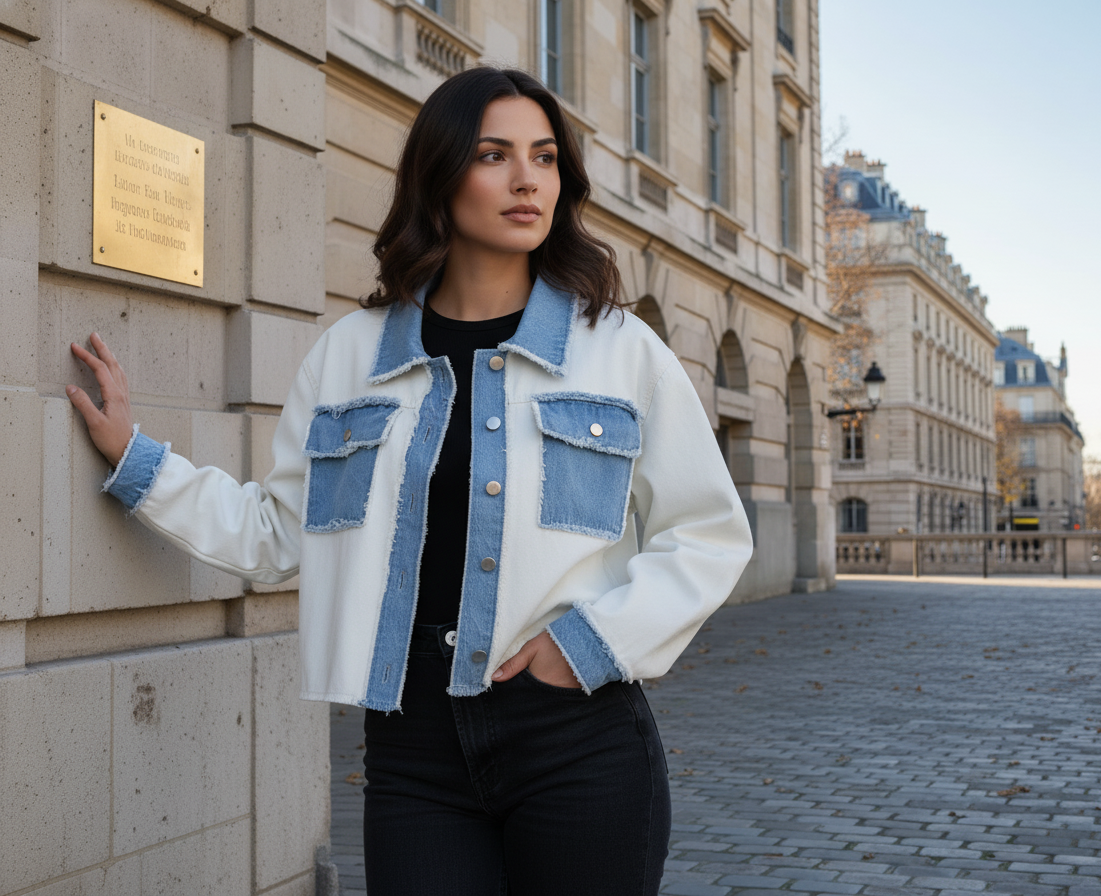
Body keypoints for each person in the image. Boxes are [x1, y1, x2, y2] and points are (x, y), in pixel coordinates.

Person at [67, 67, 752, 895]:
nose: (527, 179)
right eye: (494, 155)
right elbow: (278, 532)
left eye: (544, 157)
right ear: (441, 172)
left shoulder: (619, 349)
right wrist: (138, 460)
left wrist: (586, 646)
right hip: (413, 751)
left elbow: (707, 534)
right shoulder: (352, 353)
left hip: (577, 741)